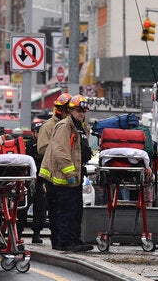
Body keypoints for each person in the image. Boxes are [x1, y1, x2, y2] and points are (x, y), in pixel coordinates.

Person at [39, 94, 93, 252]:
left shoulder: (79, 126)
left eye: (83, 111)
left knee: (75, 210)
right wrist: (70, 174)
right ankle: (65, 242)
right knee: (66, 211)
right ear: (70, 111)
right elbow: (61, 152)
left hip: (74, 176)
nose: (81, 113)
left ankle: (74, 240)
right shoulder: (64, 126)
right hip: (63, 177)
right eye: (78, 110)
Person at [36, 92, 71, 245]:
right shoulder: (48, 127)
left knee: (68, 209)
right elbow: (42, 148)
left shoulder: (72, 126)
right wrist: (59, 148)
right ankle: (56, 238)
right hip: (53, 174)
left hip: (68, 173)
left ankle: (66, 237)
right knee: (55, 208)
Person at [27, 117, 48, 244]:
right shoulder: (28, 145)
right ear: (33, 133)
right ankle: (17, 234)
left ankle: (36, 233)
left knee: (40, 209)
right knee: (22, 209)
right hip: (28, 182)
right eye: (38, 131)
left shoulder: (47, 145)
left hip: (41, 181)